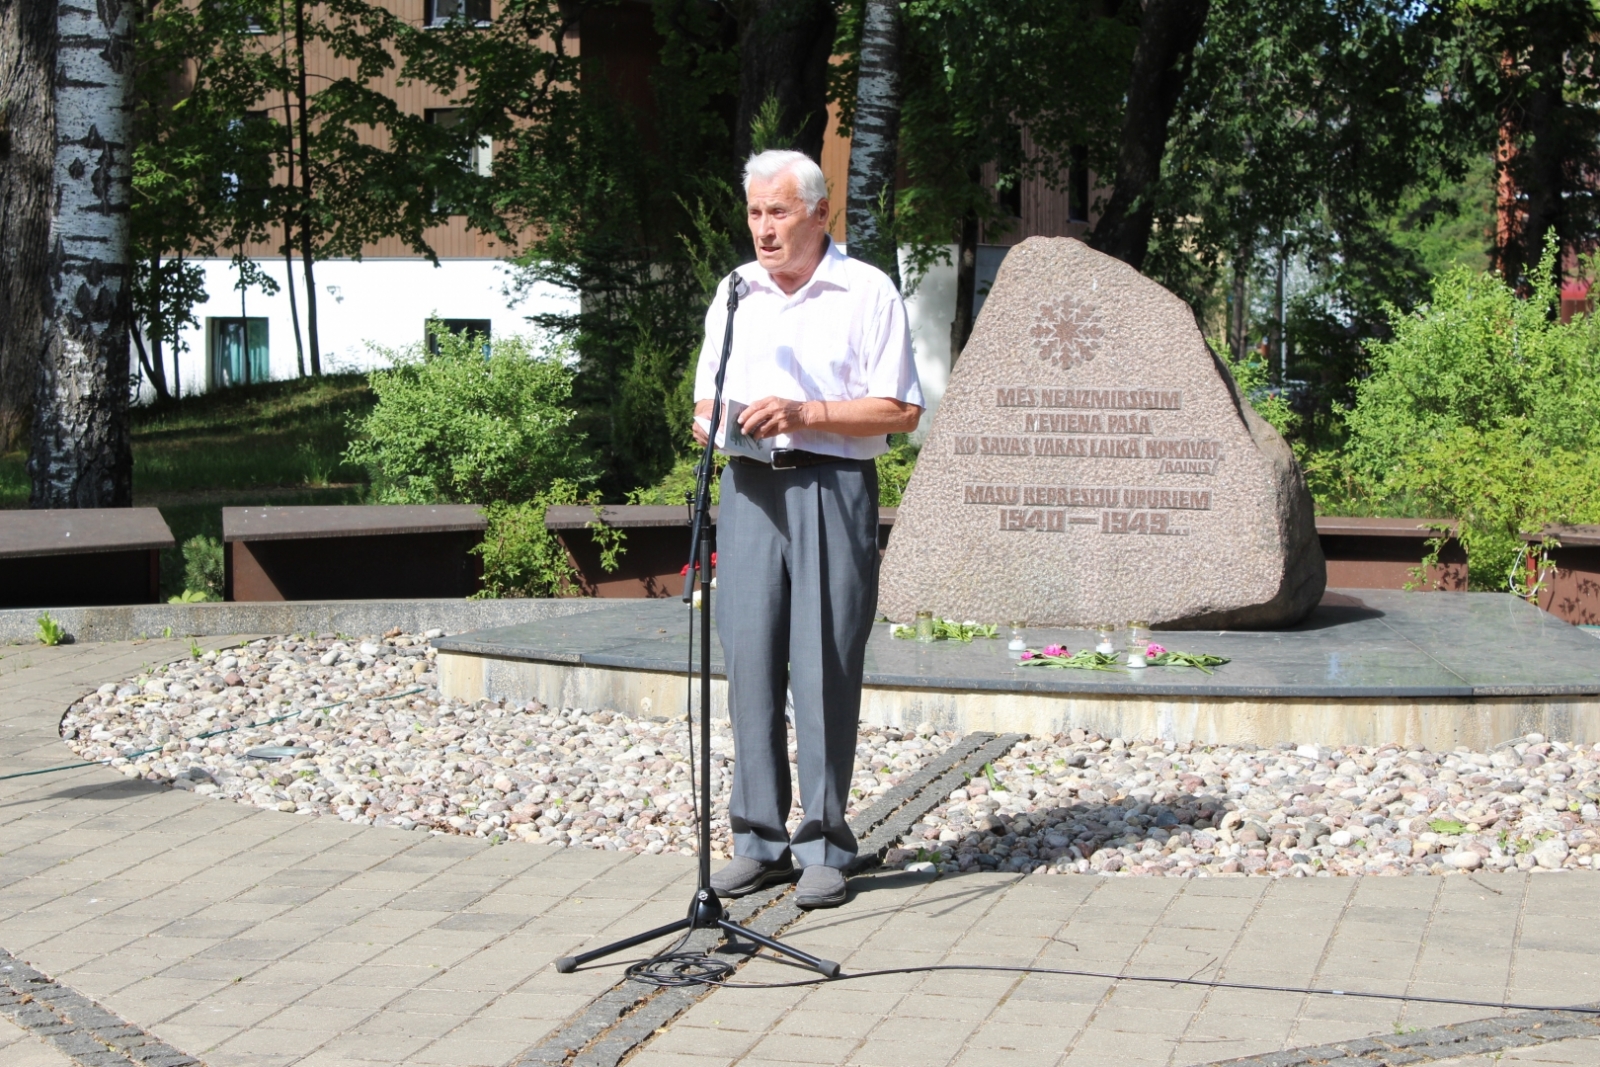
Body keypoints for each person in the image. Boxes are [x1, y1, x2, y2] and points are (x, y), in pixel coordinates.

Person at [692, 149, 923, 910]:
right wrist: (716, 423)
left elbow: (899, 410)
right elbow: (704, 400)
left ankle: (825, 842)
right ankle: (758, 841)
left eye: (779, 212)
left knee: (823, 666)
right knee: (750, 664)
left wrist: (805, 413)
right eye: (755, 212)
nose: (763, 229)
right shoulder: (735, 292)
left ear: (818, 214)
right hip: (749, 486)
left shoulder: (866, 290)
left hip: (831, 486)